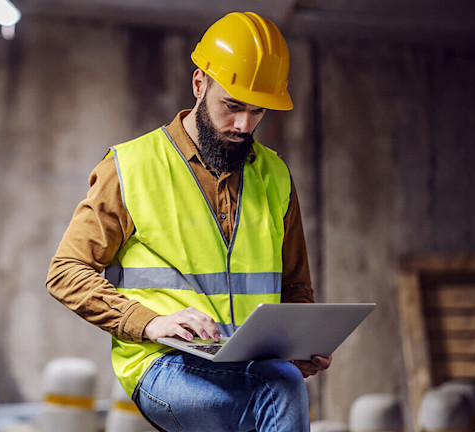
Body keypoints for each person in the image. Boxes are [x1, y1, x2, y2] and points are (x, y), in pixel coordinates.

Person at [47, 11, 331, 431]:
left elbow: (295, 285)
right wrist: (152, 322)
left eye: (257, 112)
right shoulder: (130, 167)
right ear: (200, 84)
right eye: (232, 106)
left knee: (282, 381)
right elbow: (65, 272)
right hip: (162, 363)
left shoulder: (275, 176)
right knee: (281, 389)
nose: (243, 125)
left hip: (254, 365)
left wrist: (300, 341)